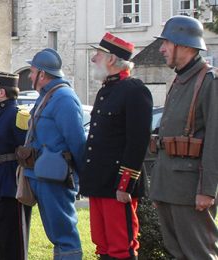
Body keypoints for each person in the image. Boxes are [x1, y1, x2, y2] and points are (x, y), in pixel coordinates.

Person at [150, 15, 218, 259]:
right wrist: (158, 187)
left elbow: (215, 141)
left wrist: (207, 190)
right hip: (169, 186)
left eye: (167, 42)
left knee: (198, 254)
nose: (162, 49)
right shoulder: (179, 80)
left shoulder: (209, 82)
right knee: (177, 253)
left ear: (186, 46)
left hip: (191, 189)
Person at [80, 33, 153, 260]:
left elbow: (137, 142)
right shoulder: (106, 90)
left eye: (98, 55)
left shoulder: (134, 90)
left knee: (121, 246)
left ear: (111, 59)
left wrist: (125, 184)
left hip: (117, 184)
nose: (93, 59)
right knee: (102, 244)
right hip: (99, 182)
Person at [22, 48, 85, 260]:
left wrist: (84, 176)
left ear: (43, 74)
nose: (30, 76)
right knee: (56, 235)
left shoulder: (63, 98)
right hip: (43, 175)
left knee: (64, 235)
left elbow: (77, 141)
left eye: (32, 71)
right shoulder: (48, 96)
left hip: (56, 177)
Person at [0, 71, 31, 260]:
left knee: (14, 244)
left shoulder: (18, 115)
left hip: (12, 188)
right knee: (2, 241)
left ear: (2, 92)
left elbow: (27, 151)